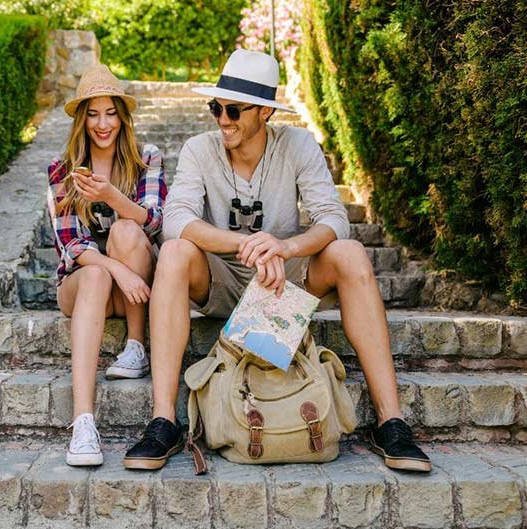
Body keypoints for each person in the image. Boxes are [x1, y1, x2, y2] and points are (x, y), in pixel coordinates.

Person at [123, 49, 431, 473]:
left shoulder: (298, 145)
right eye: (216, 107)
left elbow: (334, 218)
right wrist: (242, 244)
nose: (222, 119)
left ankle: (391, 422)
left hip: (285, 278)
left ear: (265, 111)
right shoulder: (199, 149)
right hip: (221, 278)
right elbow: (175, 219)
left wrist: (285, 248)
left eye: (234, 110)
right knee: (175, 252)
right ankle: (163, 421)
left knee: (351, 252)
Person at [47, 64, 166, 466]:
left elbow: (155, 220)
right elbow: (70, 244)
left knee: (128, 233)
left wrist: (113, 196)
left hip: (135, 290)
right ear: (82, 118)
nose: (103, 124)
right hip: (86, 287)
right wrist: (118, 270)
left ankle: (136, 346)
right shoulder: (62, 170)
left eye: (111, 112)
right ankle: (83, 423)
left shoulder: (146, 158)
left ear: (122, 116)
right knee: (96, 271)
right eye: (93, 113)